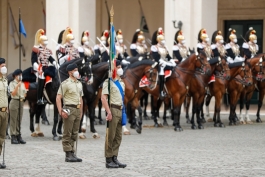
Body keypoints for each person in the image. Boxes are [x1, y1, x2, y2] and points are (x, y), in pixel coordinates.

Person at [101, 60, 127, 168]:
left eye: (121, 66)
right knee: (110, 136)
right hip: (113, 109)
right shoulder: (108, 82)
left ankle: (114, 157)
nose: (120, 68)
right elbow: (103, 98)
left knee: (118, 136)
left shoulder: (122, 83)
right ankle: (108, 159)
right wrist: (108, 112)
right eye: (118, 66)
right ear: (113, 69)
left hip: (120, 109)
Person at [56, 63, 83, 162]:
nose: (77, 71)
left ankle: (72, 152)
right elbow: (58, 98)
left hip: (77, 109)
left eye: (77, 69)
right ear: (70, 72)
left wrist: (81, 111)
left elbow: (81, 98)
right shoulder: (65, 84)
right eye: (75, 70)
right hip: (69, 108)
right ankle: (68, 154)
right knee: (67, 132)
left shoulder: (79, 84)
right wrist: (60, 111)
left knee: (75, 133)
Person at [31, 29, 58, 105]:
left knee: (54, 75)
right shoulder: (36, 49)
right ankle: (39, 98)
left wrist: (54, 62)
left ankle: (48, 95)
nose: (46, 41)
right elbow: (33, 61)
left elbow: (50, 58)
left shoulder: (47, 50)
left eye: (47, 40)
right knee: (42, 76)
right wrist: (38, 68)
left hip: (46, 67)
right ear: (41, 41)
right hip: (39, 68)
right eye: (45, 40)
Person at [151, 27, 176, 98]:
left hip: (165, 62)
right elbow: (156, 58)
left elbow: (168, 56)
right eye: (162, 39)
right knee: (161, 72)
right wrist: (162, 62)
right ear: (158, 40)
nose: (163, 41)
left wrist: (172, 61)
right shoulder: (154, 47)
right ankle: (161, 92)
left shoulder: (165, 47)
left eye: (163, 39)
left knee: (174, 67)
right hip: (159, 63)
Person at [9, 69, 27, 145]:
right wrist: (17, 86)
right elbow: (12, 94)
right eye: (18, 75)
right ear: (15, 76)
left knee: (19, 119)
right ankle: (13, 136)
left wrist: (23, 96)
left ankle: (18, 135)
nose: (20, 76)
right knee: (14, 119)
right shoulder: (12, 83)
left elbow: (25, 93)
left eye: (21, 74)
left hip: (21, 102)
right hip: (14, 101)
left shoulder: (22, 84)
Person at [0, 58, 8, 169]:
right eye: (2, 65)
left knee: (2, 137)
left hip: (4, 112)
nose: (4, 68)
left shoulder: (5, 81)